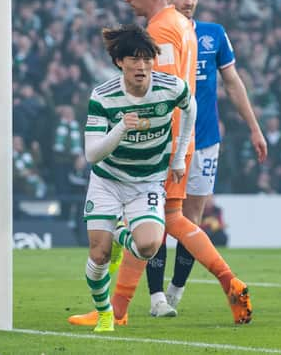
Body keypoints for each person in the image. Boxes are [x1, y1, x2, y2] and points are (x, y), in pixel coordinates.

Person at [68, 0, 252, 327]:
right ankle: (119, 310)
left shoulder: (162, 30)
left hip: (161, 143)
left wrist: (141, 134)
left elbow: (155, 91)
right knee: (169, 221)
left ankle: (225, 280)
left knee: (166, 221)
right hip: (181, 139)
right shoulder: (183, 25)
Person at [144, 0, 268, 315]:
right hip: (165, 141)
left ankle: (175, 291)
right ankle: (155, 298)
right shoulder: (158, 34)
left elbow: (233, 83)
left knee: (191, 220)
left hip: (204, 142)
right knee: (160, 217)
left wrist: (255, 129)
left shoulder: (214, 35)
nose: (189, 2)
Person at [79, 24, 196, 332]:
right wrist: (120, 128)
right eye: (134, 59)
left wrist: (180, 153)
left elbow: (190, 106)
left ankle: (121, 235)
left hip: (146, 182)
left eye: (147, 59)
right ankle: (105, 314)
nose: (142, 66)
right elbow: (91, 154)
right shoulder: (103, 97)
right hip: (108, 180)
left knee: (149, 246)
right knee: (98, 255)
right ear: (120, 62)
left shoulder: (170, 87)